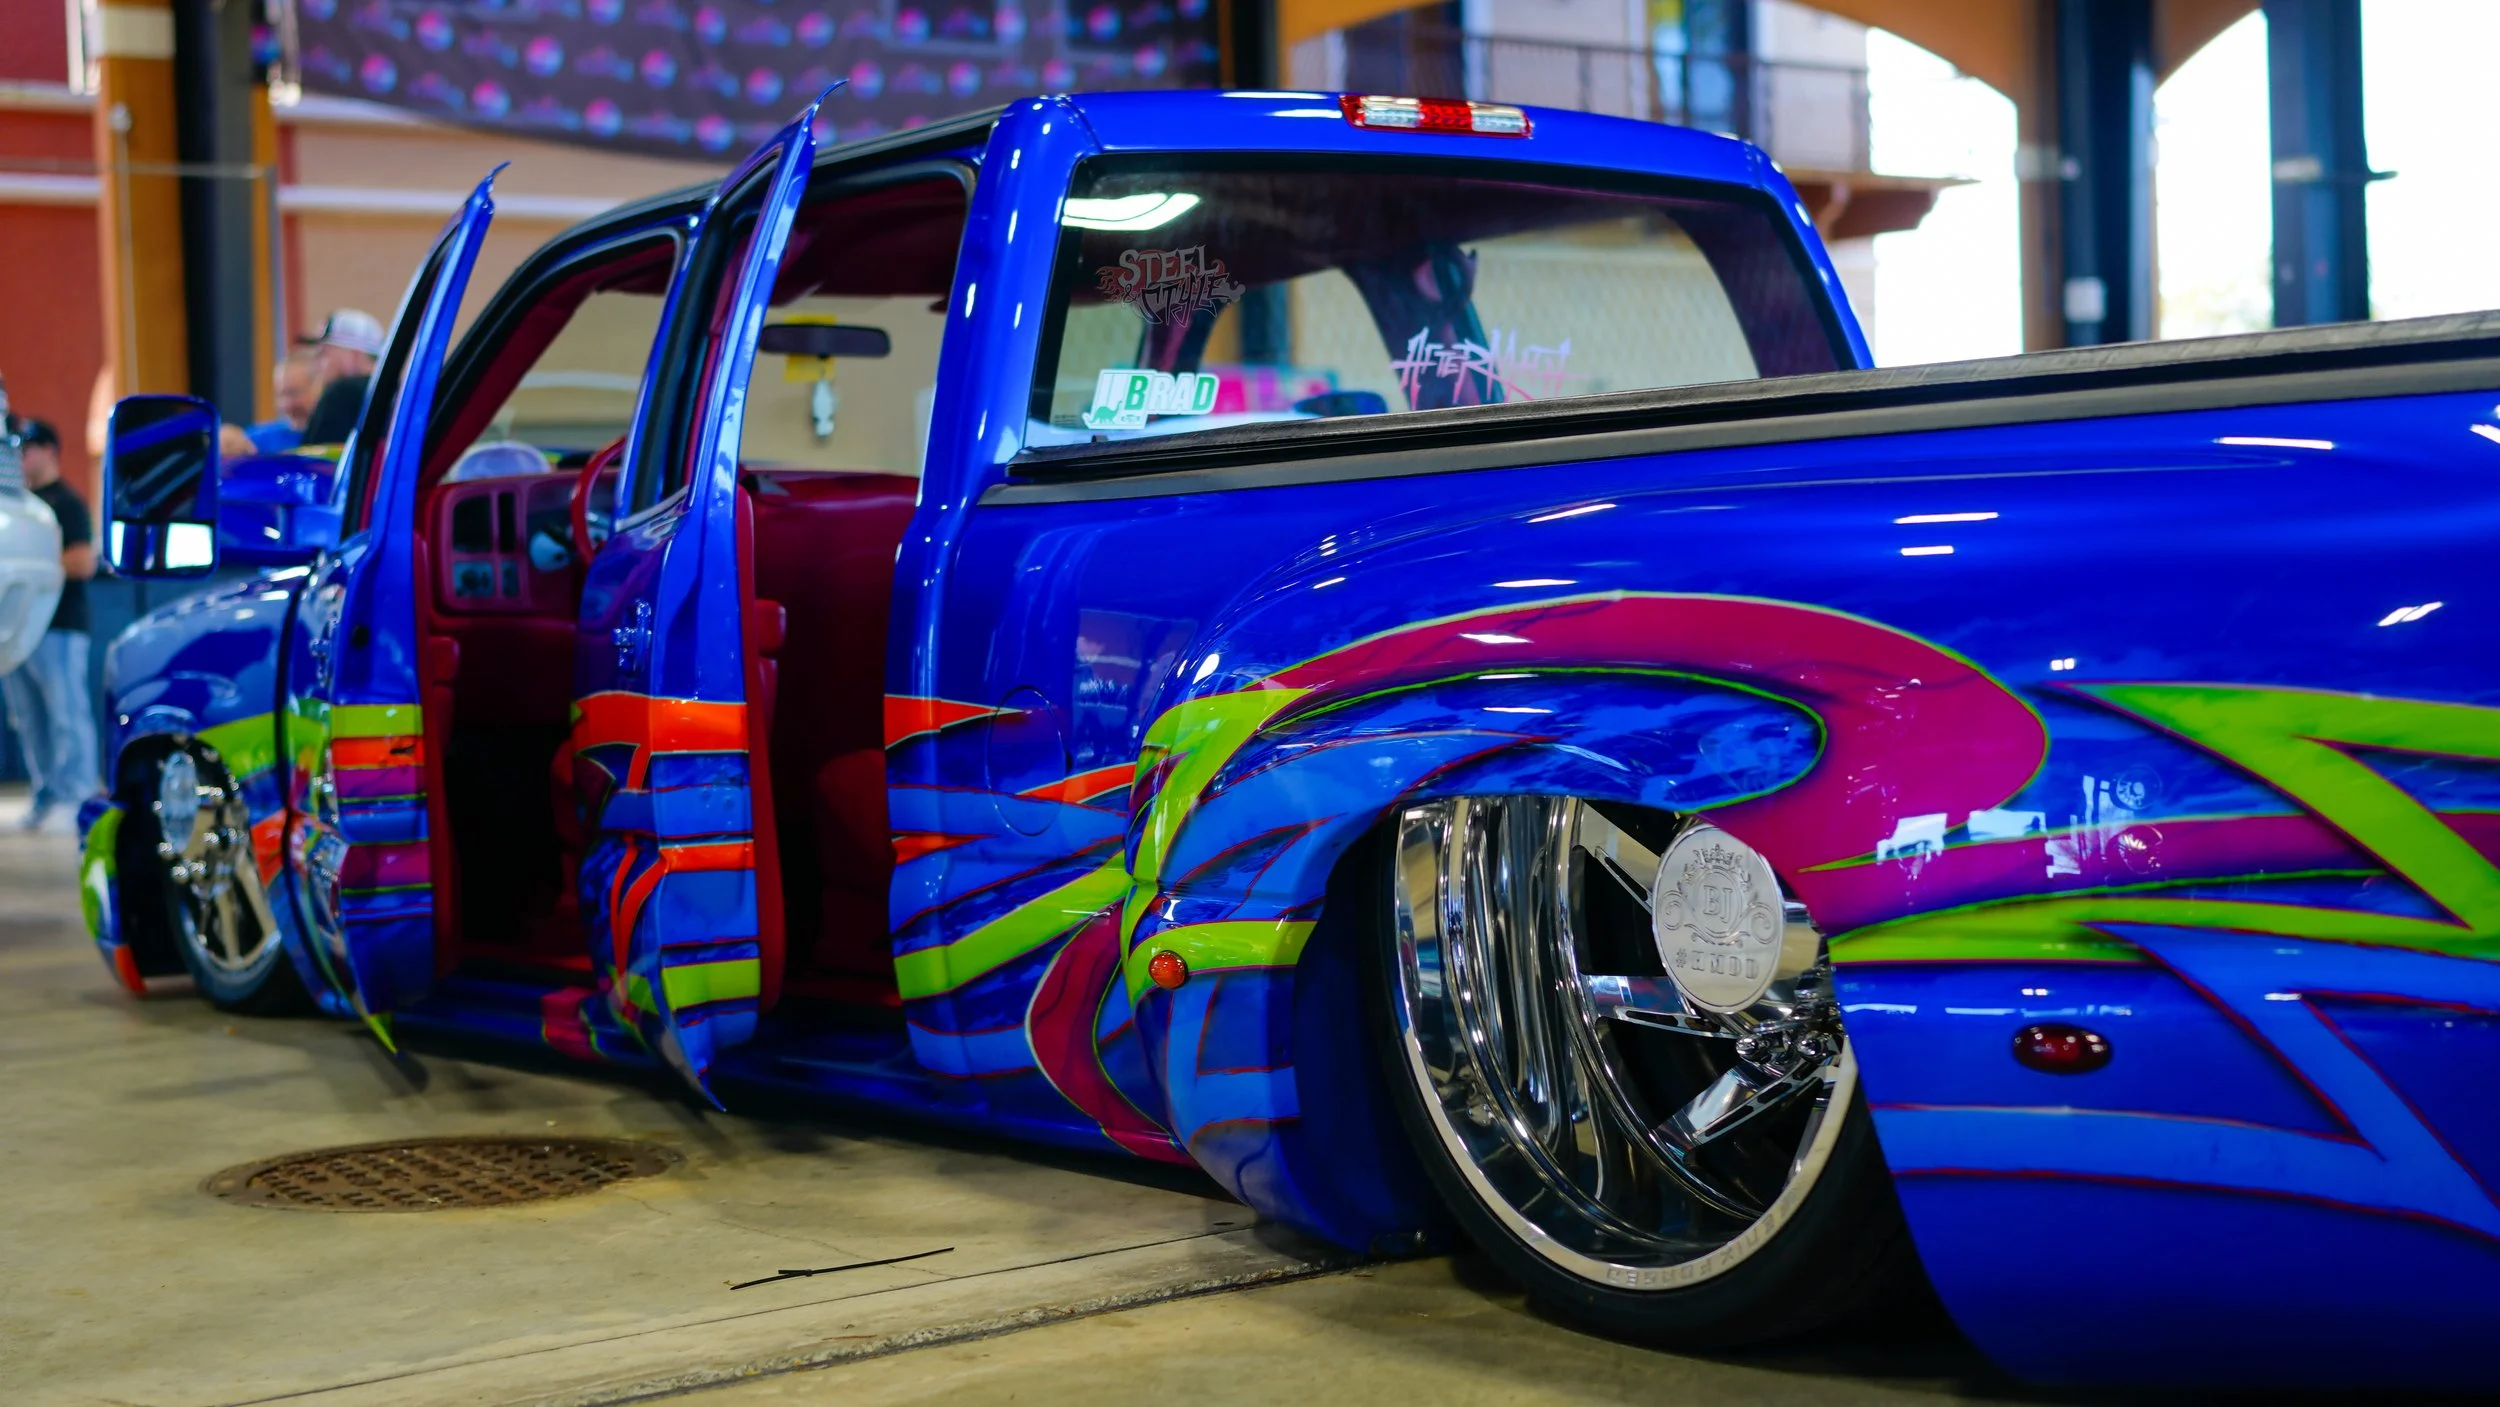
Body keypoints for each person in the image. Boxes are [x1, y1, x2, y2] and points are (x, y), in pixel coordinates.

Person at [2, 419, 99, 834]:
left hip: (59, 627)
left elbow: (82, 562)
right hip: (17, 630)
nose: (22, 457)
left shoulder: (66, 503)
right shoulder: (18, 508)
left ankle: (77, 795)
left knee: (66, 715)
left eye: (29, 448)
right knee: (27, 718)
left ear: (50, 450)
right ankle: (46, 794)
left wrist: (30, 570)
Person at [298, 308, 385, 447]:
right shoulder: (398, 391)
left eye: (323, 353)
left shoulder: (341, 393)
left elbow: (314, 460)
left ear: (354, 355)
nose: (317, 364)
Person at [219, 351, 321, 459]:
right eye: (281, 394)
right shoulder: (260, 440)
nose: (287, 404)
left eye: (294, 393)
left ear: (319, 388)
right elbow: (226, 442)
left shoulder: (334, 438)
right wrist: (225, 439)